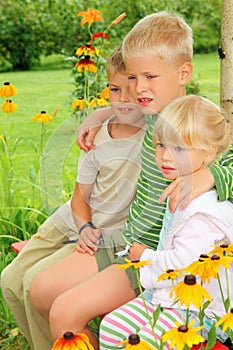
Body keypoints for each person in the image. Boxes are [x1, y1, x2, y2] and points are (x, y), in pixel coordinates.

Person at [30, 11, 233, 350]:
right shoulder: (154, 114)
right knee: (41, 292)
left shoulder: (195, 123)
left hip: (160, 259)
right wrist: (101, 114)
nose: (138, 88)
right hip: (127, 245)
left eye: (150, 76)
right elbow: (125, 109)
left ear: (184, 72)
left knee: (64, 312)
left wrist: (212, 174)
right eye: (133, 77)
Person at [0, 45, 145, 350]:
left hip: (108, 235)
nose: (123, 99)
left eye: (132, 90)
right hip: (75, 218)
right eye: (115, 90)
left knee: (34, 286)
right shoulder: (97, 136)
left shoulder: (153, 135)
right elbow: (81, 197)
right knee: (11, 281)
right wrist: (102, 114)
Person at [99, 94, 233, 349]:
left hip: (201, 310)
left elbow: (184, 266)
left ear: (209, 152)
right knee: (111, 326)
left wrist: (143, 256)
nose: (165, 156)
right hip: (173, 297)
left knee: (144, 342)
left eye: (179, 148)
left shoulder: (204, 211)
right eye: (161, 145)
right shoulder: (182, 191)